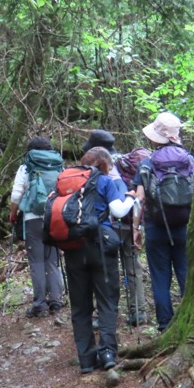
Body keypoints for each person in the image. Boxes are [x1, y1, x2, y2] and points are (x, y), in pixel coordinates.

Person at [63, 147, 136, 373]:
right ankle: (106, 353)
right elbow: (120, 211)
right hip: (101, 247)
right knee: (107, 301)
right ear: (104, 164)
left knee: (80, 306)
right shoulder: (105, 181)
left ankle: (85, 360)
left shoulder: (68, 179)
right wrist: (132, 198)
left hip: (74, 247)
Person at [132, 112, 194, 332]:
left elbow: (139, 199)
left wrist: (135, 228)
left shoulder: (147, 163)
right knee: (186, 272)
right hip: (186, 226)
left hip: (156, 226)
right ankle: (190, 321)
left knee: (160, 276)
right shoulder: (190, 161)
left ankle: (165, 325)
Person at [83, 130, 148, 327]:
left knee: (104, 268)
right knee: (132, 267)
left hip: (109, 225)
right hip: (131, 221)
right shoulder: (126, 162)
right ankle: (139, 311)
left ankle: (104, 313)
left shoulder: (104, 167)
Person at [9, 137, 65, 318]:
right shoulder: (57, 164)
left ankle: (39, 304)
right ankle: (56, 301)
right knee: (52, 260)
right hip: (55, 216)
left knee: (37, 261)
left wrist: (13, 213)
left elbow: (17, 193)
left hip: (33, 218)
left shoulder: (27, 165)